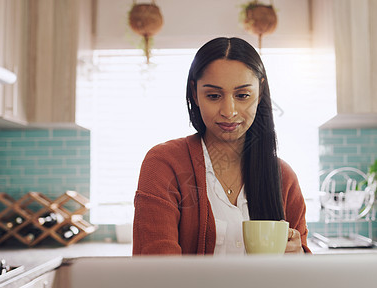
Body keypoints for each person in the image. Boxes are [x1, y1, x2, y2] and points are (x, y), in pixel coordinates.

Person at [132, 37, 310, 255]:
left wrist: (297, 255)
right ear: (195, 93)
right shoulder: (164, 164)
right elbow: (155, 273)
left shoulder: (284, 178)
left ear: (260, 92)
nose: (229, 111)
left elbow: (302, 279)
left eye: (243, 95)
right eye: (214, 96)